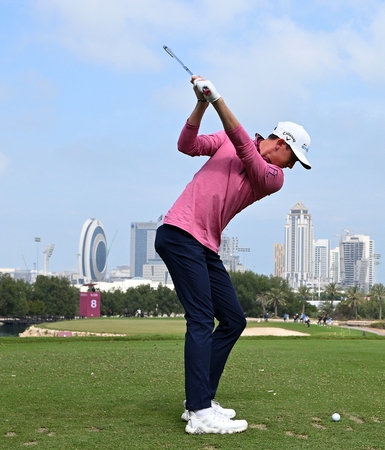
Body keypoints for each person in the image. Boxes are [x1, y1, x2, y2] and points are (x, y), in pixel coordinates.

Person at [155, 75, 312, 435]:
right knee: (200, 319)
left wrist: (217, 100)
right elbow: (186, 145)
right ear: (281, 144)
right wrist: (201, 103)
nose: (291, 166)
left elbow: (245, 148)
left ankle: (201, 398)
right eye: (293, 158)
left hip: (204, 245)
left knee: (233, 319)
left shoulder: (272, 177)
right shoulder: (227, 140)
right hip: (180, 234)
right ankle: (198, 413)